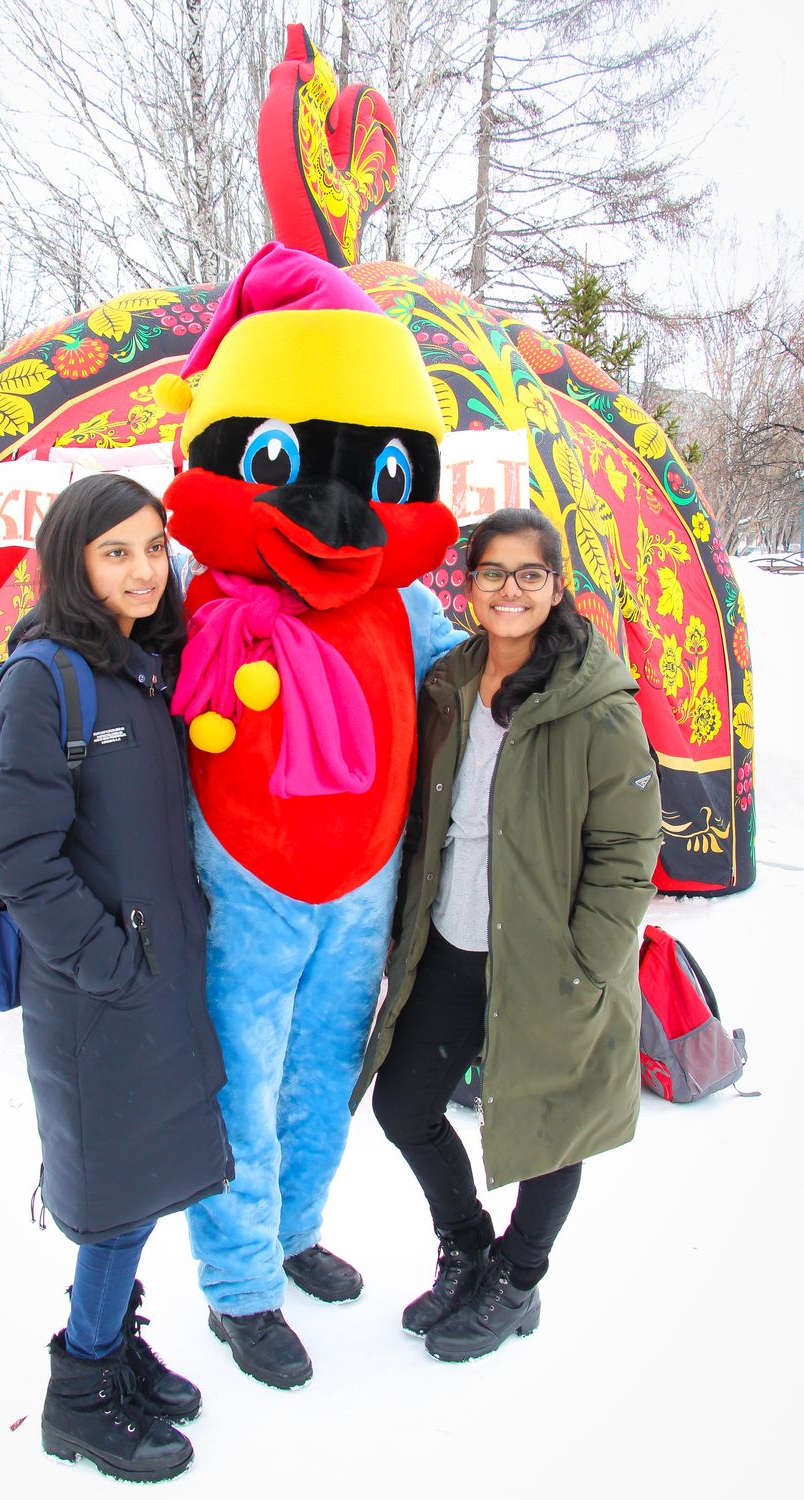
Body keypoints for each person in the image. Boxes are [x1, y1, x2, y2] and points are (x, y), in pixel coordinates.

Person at [350, 506, 662, 1361]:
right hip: (452, 940)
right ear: (470, 583)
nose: (510, 589)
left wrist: (589, 960)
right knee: (404, 1104)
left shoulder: (595, 705)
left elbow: (629, 850)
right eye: (493, 572)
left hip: (549, 958)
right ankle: (468, 1246)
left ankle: (518, 1279)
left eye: (530, 574)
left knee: (551, 1123)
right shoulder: (450, 683)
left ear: (557, 587)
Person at [0, 474, 233, 1481]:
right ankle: (81, 1391)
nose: (143, 568)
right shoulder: (49, 677)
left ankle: (115, 1343)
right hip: (98, 990)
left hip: (154, 974)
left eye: (154, 547)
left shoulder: (141, 667)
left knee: (141, 1181)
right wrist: (108, 963)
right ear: (72, 560)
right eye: (115, 551)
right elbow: (16, 858)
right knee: (117, 1200)